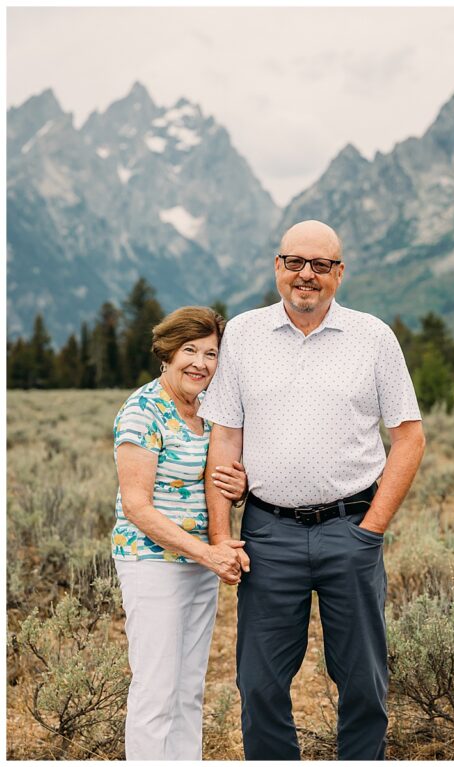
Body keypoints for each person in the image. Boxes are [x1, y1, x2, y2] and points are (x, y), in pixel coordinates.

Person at [199, 219, 425, 760]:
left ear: (339, 274)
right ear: (278, 267)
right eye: (295, 262)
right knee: (259, 682)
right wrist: (221, 536)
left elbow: (410, 438)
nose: (307, 275)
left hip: (352, 528)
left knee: (364, 683)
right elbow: (226, 435)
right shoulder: (244, 335)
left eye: (321, 265)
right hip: (267, 533)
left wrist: (372, 530)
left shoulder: (373, 338)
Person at [112, 306, 250, 760]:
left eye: (210, 353)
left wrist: (240, 487)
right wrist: (209, 553)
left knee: (189, 687)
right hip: (152, 563)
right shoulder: (142, 410)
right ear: (167, 353)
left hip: (195, 564)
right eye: (189, 350)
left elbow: (217, 478)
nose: (200, 363)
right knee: (156, 689)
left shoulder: (207, 411)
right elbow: (136, 506)